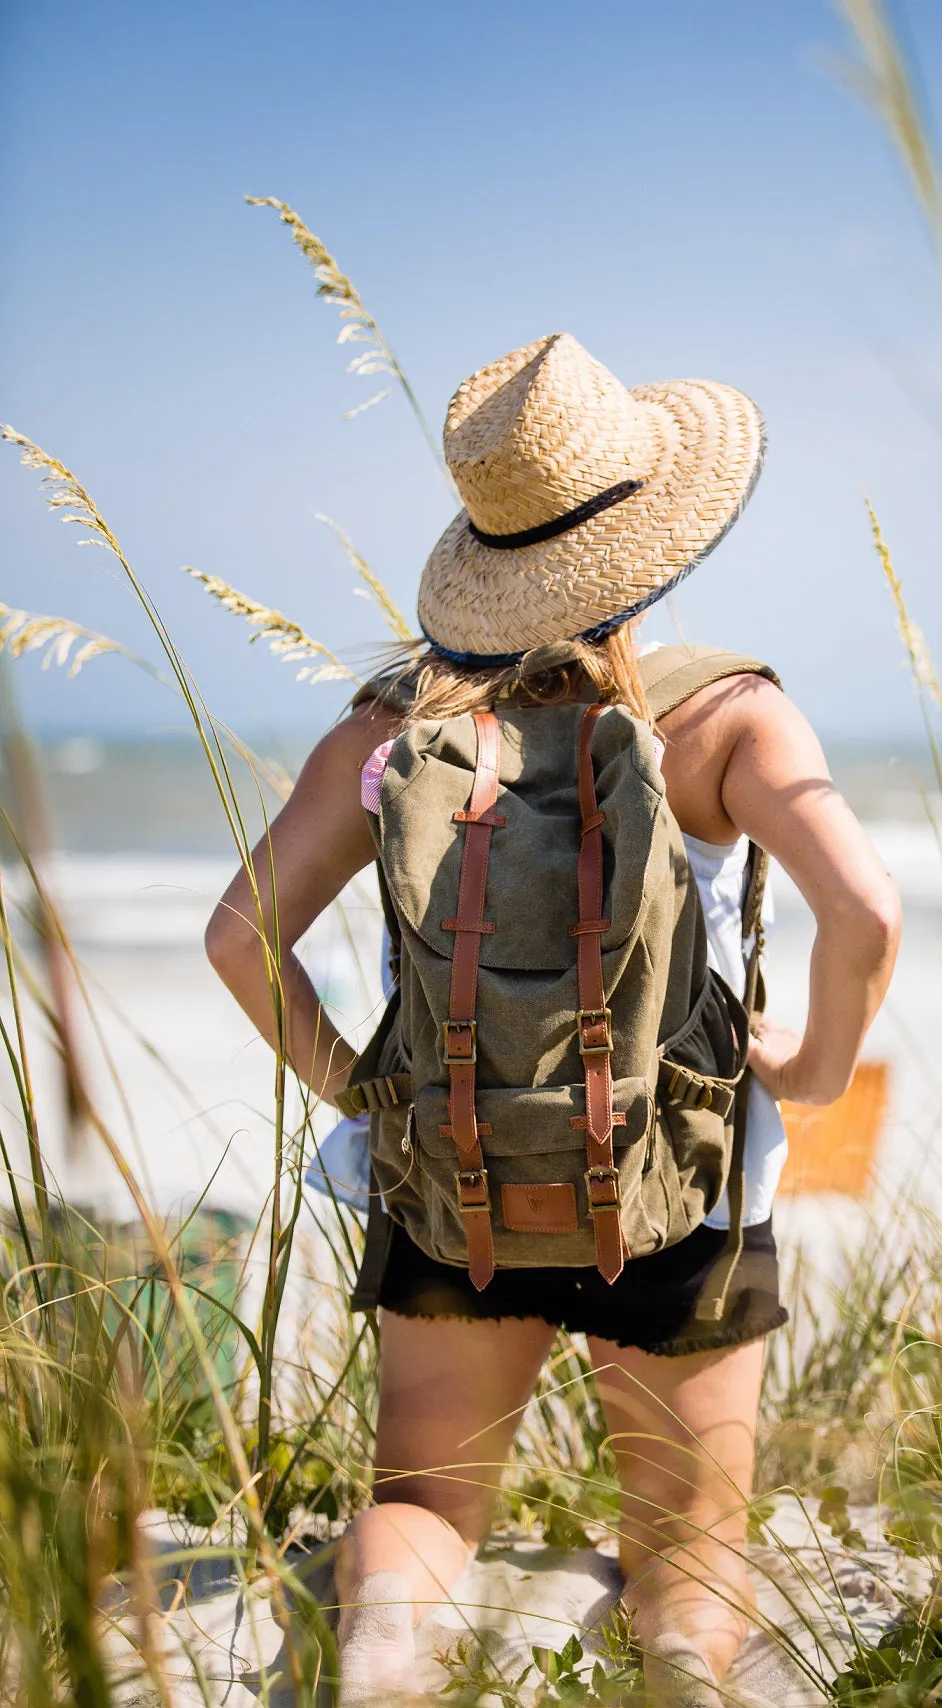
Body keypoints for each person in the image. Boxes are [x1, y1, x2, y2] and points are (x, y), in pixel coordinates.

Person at [206, 333, 901, 1704]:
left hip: (452, 1186)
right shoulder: (726, 719)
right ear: (653, 544)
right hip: (679, 1192)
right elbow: (865, 918)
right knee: (687, 1542)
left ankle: (387, 1661)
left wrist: (367, 1089)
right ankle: (689, 1682)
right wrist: (810, 1071)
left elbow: (239, 937)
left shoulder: (387, 733)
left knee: (421, 1505)